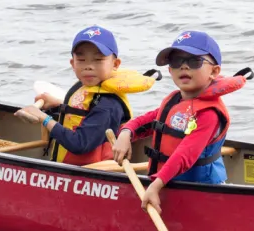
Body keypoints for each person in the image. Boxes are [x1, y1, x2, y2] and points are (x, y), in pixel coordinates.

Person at [111, 31, 251, 212]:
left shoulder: (210, 114)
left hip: (200, 189)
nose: (184, 67)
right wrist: (125, 133)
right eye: (176, 61)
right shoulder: (175, 101)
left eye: (194, 61)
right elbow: (146, 121)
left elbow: (185, 155)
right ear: (170, 70)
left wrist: (155, 185)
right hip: (168, 182)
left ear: (214, 71)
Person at [13, 26, 152, 165]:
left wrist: (44, 118)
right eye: (81, 60)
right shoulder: (90, 86)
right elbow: (83, 112)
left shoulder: (108, 105)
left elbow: (80, 144)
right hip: (70, 168)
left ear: (115, 64)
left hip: (92, 174)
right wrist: (60, 105)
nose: (88, 66)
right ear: (73, 64)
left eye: (98, 60)